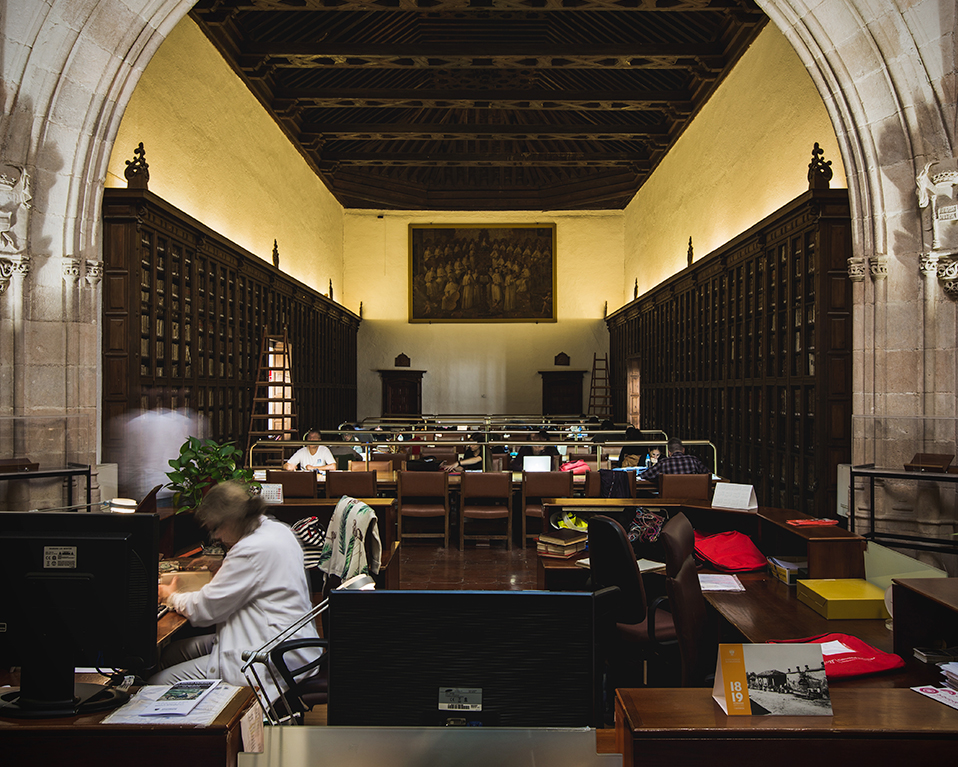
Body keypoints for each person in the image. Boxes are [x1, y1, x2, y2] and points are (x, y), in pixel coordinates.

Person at [151, 481, 322, 702]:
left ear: (233, 520)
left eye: (216, 528)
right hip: (292, 643)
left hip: (268, 655)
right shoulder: (276, 529)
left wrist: (169, 596)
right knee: (173, 652)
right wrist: (224, 565)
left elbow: (205, 610)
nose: (216, 537)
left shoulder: (249, 550)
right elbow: (258, 577)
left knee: (156, 684)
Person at [641, 437, 709, 481]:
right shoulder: (693, 460)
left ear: (669, 452)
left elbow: (645, 475)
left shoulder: (664, 462)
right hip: (691, 498)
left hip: (669, 499)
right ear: (683, 450)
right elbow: (708, 474)